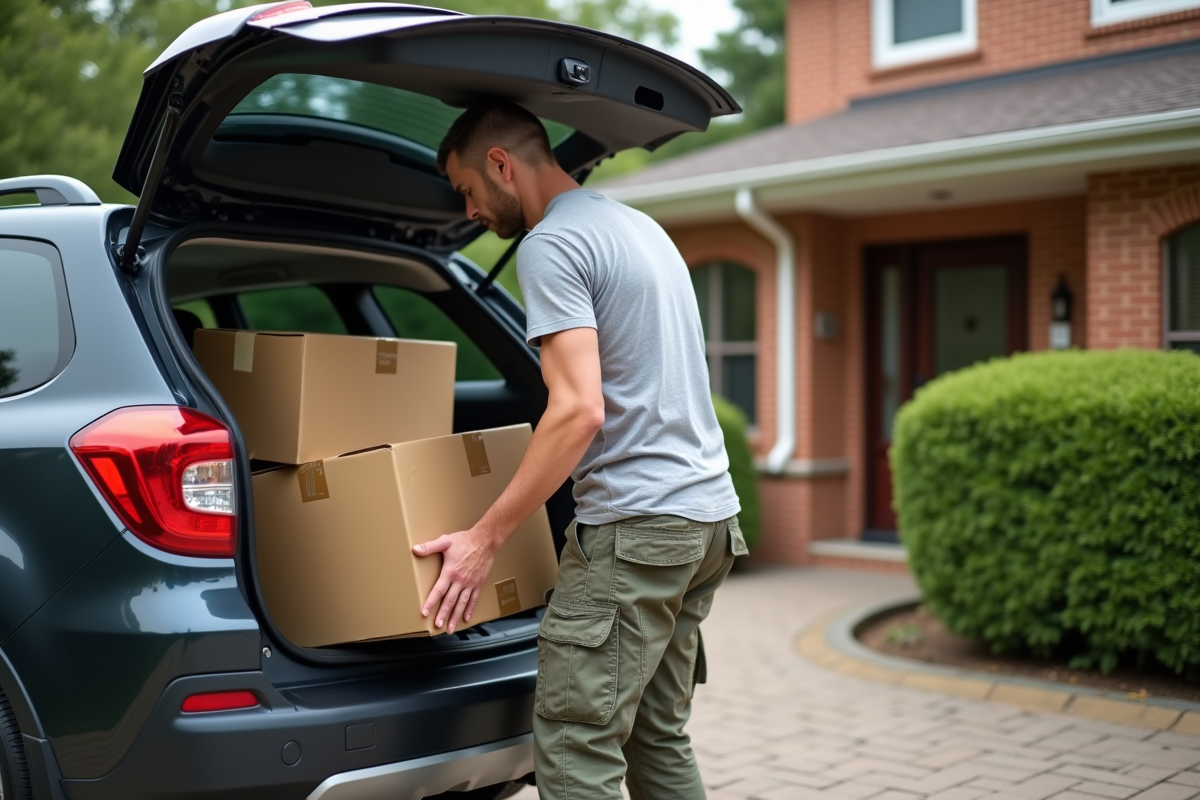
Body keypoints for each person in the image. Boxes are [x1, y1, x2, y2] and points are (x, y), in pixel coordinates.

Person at [414, 100, 747, 800]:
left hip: (638, 530)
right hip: (707, 521)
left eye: (468, 190)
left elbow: (577, 409)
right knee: (656, 733)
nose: (468, 210)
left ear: (501, 165)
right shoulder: (638, 227)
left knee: (574, 740)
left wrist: (484, 538)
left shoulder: (551, 245)